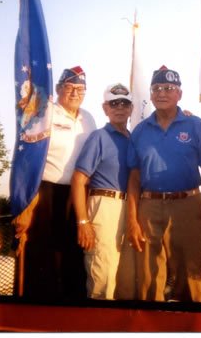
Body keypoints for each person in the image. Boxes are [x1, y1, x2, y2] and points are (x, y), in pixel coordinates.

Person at [126, 65, 201, 303]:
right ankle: (151, 321)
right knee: (148, 274)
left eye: (169, 88)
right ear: (150, 95)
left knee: (191, 272)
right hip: (149, 206)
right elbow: (134, 178)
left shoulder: (195, 125)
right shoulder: (139, 131)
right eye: (156, 88)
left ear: (179, 93)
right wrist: (132, 219)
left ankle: (195, 320)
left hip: (187, 204)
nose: (162, 93)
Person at [16, 66, 97, 300]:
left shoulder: (89, 119)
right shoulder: (45, 112)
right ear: (59, 88)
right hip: (46, 191)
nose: (74, 93)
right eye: (69, 87)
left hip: (78, 193)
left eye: (80, 89)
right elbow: (27, 154)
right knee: (42, 253)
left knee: (72, 254)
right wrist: (26, 201)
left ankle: (71, 310)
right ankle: (38, 310)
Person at [70, 83, 136, 300]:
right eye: (114, 103)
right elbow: (78, 180)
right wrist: (83, 222)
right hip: (104, 206)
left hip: (130, 207)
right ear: (105, 108)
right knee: (103, 277)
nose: (120, 108)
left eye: (124, 103)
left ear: (131, 108)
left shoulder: (133, 139)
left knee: (124, 280)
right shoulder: (99, 137)